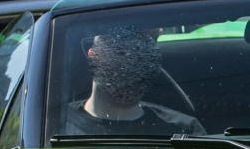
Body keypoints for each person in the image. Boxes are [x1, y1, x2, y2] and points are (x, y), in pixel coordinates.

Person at [56, 26, 203, 137]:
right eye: (119, 52)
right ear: (93, 56)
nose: (129, 64)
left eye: (141, 55)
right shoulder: (52, 126)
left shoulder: (185, 130)